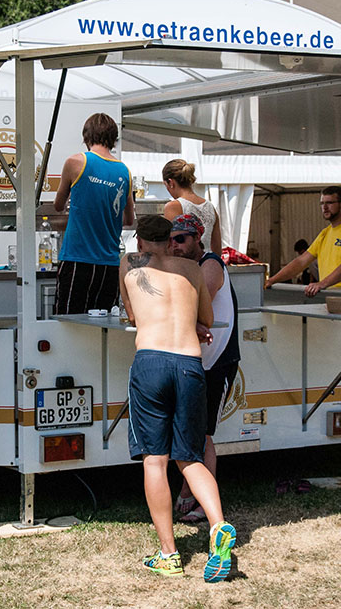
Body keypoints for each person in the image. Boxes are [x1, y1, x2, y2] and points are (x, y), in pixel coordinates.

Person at [119, 215, 236, 582]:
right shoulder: (192, 269)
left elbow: (132, 313)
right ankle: (218, 525)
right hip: (189, 364)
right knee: (190, 456)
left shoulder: (129, 264)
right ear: (171, 240)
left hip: (151, 361)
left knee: (155, 461)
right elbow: (207, 318)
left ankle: (169, 554)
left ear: (140, 242)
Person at [168, 214, 241, 523]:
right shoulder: (185, 266)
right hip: (196, 360)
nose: (174, 245)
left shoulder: (210, 264)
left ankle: (200, 501)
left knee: (202, 434)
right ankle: (190, 492)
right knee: (190, 431)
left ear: (197, 238)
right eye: (170, 240)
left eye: (180, 239)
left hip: (216, 361)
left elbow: (198, 304)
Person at [53, 113, 135, 314]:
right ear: (113, 138)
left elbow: (58, 205)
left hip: (77, 259)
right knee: (102, 325)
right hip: (109, 264)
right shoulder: (124, 171)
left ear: (86, 136)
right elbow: (129, 219)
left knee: (69, 321)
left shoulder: (75, 162)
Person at [264, 186, 341, 296]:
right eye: (322, 203)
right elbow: (301, 261)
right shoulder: (325, 233)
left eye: (329, 203)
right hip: (329, 294)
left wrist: (322, 284)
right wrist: (272, 280)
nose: (325, 207)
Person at [161, 159, 223, 255]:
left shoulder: (173, 206)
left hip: (185, 262)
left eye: (166, 186)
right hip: (208, 260)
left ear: (171, 182)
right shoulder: (210, 206)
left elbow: (170, 247)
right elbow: (217, 249)